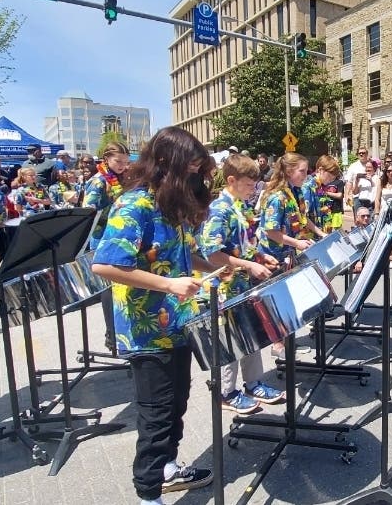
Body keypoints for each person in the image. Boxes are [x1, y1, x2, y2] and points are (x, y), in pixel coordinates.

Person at [91, 126, 214, 505]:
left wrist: (221, 267)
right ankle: (148, 494)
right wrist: (171, 286)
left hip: (177, 324)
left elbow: (181, 256)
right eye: (190, 169)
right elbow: (106, 266)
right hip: (146, 331)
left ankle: (168, 469)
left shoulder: (170, 207)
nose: (194, 177)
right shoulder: (135, 206)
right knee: (157, 415)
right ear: (166, 163)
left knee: (177, 404)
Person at [198, 154, 284, 415]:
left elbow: (243, 246)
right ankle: (226, 392)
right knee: (230, 340)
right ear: (232, 180)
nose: (252, 190)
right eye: (248, 185)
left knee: (250, 334)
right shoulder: (219, 210)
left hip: (243, 284)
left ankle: (253, 383)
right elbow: (211, 253)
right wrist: (248, 265)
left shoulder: (241, 206)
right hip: (224, 287)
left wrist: (260, 256)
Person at [256, 152, 317, 264]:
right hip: (273, 257)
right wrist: (297, 243)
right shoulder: (277, 198)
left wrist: (320, 233)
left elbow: (302, 218)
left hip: (289, 252)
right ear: (289, 172)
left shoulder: (297, 192)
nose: (306, 175)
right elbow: (271, 232)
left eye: (307, 171)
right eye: (302, 171)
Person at [83, 141, 130, 250]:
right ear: (106, 159)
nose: (122, 165)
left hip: (119, 233)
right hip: (102, 235)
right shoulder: (98, 181)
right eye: (118, 161)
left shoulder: (122, 178)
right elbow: (87, 211)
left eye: (126, 162)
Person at [301, 155, 342, 235]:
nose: (333, 178)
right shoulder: (307, 188)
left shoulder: (322, 187)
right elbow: (303, 216)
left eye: (335, 175)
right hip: (310, 237)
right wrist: (321, 233)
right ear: (320, 170)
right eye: (331, 174)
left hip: (321, 235)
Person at [344, 146, 370, 212]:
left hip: (370, 196)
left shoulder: (371, 165)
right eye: (359, 153)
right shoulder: (353, 166)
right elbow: (349, 182)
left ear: (367, 154)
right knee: (358, 220)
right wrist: (346, 195)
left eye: (363, 153)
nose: (361, 154)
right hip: (357, 197)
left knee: (371, 220)